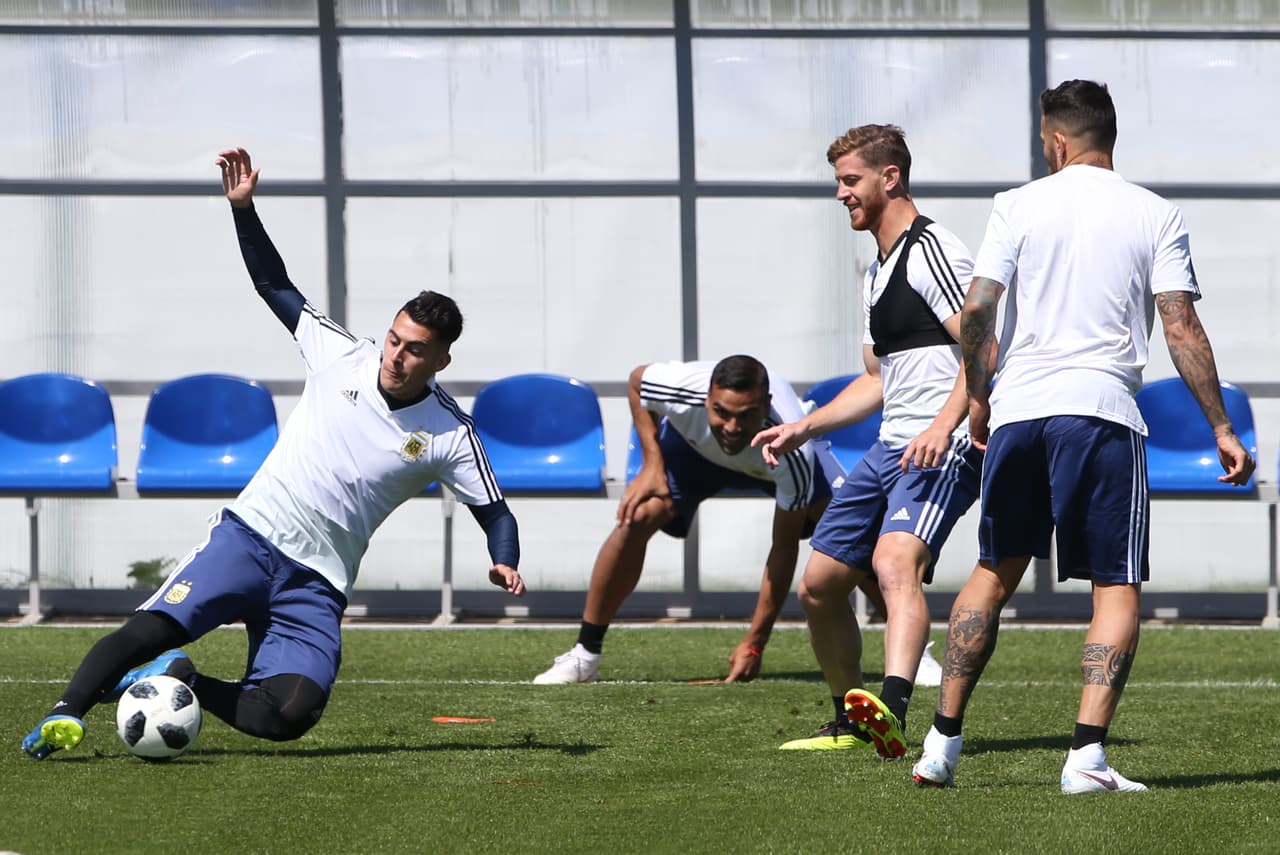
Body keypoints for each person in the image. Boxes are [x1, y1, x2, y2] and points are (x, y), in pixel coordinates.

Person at [21, 147, 526, 760]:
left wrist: (504, 559)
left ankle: (185, 679)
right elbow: (274, 284)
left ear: (442, 359)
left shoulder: (450, 432)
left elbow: (495, 511)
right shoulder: (342, 352)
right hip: (250, 538)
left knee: (288, 714)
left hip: (316, 581)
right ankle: (65, 713)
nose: (396, 355)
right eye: (394, 338)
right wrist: (244, 209)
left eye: (415, 349)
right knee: (148, 628)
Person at [910, 80, 1255, 793]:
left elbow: (978, 310)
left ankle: (940, 745)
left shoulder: (1014, 204)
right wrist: (1219, 424)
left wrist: (979, 398)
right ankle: (1086, 758)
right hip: (1100, 410)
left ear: (1056, 140)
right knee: (1115, 584)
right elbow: (1181, 327)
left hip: (1018, 410)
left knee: (991, 570)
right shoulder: (1155, 213)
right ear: (1108, 136)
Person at [753, 124, 983, 754]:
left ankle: (896, 707)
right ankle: (852, 720)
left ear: (891, 178)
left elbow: (983, 350)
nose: (840, 194)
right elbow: (877, 379)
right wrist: (803, 425)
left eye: (850, 180)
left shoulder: (932, 248)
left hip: (946, 443)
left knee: (891, 564)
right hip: (890, 446)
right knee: (820, 584)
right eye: (838, 182)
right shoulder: (877, 272)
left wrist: (944, 425)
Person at [532, 354, 888, 686]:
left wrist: (755, 643)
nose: (732, 427)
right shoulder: (677, 387)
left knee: (847, 529)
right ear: (706, 399)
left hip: (767, 457)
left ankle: (910, 653)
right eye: (721, 412)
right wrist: (652, 465)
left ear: (765, 407)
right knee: (638, 514)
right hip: (694, 453)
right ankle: (585, 653)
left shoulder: (792, 451)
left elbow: (782, 550)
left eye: (745, 414)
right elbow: (637, 381)